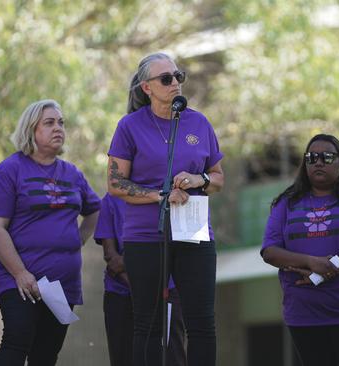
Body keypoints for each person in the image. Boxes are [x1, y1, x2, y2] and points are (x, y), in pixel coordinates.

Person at [107, 52, 224, 366]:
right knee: (147, 322)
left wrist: (198, 178)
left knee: (202, 322)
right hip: (146, 236)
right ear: (147, 88)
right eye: (166, 79)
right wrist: (160, 196)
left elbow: (218, 178)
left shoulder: (199, 122)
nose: (175, 83)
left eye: (178, 76)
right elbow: (116, 184)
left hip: (194, 232)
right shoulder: (129, 127)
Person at [0, 99, 100, 366]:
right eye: (49, 122)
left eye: (61, 122)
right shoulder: (10, 170)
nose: (58, 127)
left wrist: (79, 238)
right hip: (20, 280)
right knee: (16, 341)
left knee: (46, 354)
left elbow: (95, 209)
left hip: (63, 283)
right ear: (30, 129)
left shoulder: (72, 174)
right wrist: (20, 273)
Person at [261, 134, 339, 366]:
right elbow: (270, 251)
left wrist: (326, 270)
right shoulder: (286, 203)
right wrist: (311, 262)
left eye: (327, 157)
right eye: (311, 157)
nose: (318, 162)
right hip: (304, 315)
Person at [94, 193, 187, 366]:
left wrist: (138, 264)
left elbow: (176, 253)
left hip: (166, 294)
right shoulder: (111, 199)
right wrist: (145, 278)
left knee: (172, 358)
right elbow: (112, 259)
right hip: (121, 294)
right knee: (125, 359)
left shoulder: (169, 195)